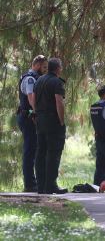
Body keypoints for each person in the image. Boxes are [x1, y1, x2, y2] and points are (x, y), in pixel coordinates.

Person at [33, 57, 67, 194]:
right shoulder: (57, 82)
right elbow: (59, 102)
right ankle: (50, 185)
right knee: (53, 153)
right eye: (61, 67)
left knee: (41, 152)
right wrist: (62, 121)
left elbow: (34, 99)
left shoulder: (39, 80)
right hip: (53, 121)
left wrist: (37, 114)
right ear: (58, 68)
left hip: (40, 119)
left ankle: (40, 186)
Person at [17, 55, 47, 192]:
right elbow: (31, 97)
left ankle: (33, 181)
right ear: (37, 65)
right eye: (44, 67)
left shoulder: (35, 78)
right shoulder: (30, 78)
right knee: (30, 150)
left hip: (29, 116)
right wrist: (36, 113)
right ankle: (29, 184)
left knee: (33, 149)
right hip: (28, 117)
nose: (45, 70)